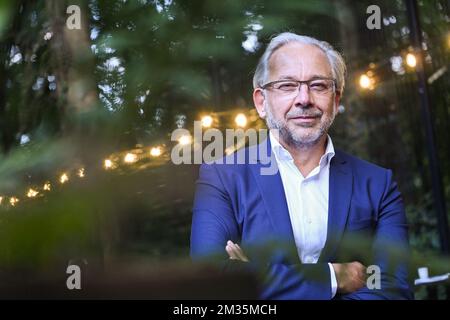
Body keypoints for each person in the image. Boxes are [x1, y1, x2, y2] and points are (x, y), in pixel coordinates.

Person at [190, 32, 413, 300]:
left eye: (318, 85)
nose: (304, 98)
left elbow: (393, 291)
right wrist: (332, 278)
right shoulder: (222, 177)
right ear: (261, 102)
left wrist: (255, 279)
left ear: (336, 99)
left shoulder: (378, 184)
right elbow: (212, 280)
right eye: (287, 85)